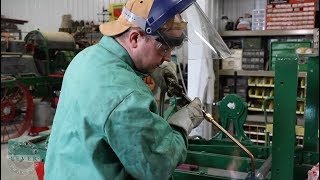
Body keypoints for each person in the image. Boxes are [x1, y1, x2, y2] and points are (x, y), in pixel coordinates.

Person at [44, 0, 205, 179]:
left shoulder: (86, 57)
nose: (167, 57)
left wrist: (151, 70)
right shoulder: (127, 96)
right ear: (135, 38)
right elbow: (157, 167)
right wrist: (182, 124)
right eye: (163, 47)